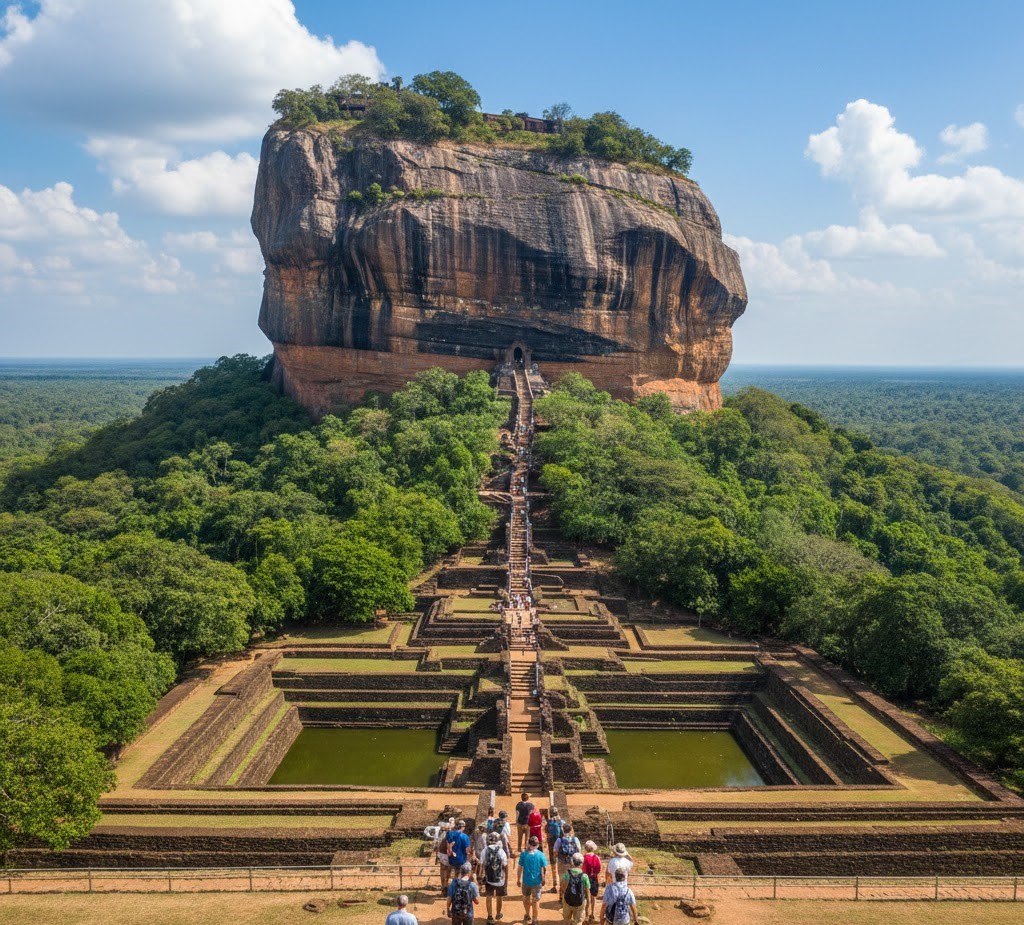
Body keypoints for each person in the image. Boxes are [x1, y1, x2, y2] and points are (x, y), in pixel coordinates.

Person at [516, 835, 548, 925]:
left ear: (528, 844)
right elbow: (544, 868)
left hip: (526, 881)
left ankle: (527, 914)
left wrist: (518, 879)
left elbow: (520, 868)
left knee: (526, 898)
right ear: (537, 845)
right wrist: (544, 878)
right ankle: (535, 919)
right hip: (537, 882)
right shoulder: (541, 855)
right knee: (536, 900)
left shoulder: (524, 854)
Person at [481, 831, 509, 924]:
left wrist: (481, 876)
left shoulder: (484, 850)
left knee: (489, 896)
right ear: (497, 841)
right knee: (499, 897)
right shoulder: (501, 851)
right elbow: (505, 866)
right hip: (499, 879)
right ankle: (498, 913)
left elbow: (482, 864)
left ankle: (489, 916)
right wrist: (506, 879)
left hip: (489, 878)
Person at [560, 852, 590, 925]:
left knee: (567, 920)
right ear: (581, 863)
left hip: (568, 900)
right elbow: (587, 891)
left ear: (572, 861)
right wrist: (588, 902)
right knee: (578, 922)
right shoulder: (584, 876)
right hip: (580, 902)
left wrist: (563, 896)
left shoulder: (567, 873)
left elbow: (562, 887)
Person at [553, 823, 581, 898]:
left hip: (562, 863)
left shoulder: (559, 840)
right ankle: (572, 895)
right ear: (570, 830)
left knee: (562, 879)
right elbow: (579, 850)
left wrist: (556, 858)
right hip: (573, 863)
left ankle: (562, 896)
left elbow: (555, 852)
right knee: (573, 878)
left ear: (562, 830)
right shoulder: (575, 839)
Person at [581, 841, 602, 924]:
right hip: (594, 878)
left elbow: (583, 869)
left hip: (586, 878)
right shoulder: (597, 857)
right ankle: (592, 913)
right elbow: (599, 869)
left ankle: (586, 914)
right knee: (593, 897)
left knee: (586, 897)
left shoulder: (584, 857)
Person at [435, 821, 453, 893]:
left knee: (446, 870)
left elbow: (437, 845)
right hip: (444, 854)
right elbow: (437, 845)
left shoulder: (448, 835)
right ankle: (444, 885)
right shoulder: (442, 835)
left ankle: (445, 885)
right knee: (445, 870)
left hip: (446, 854)